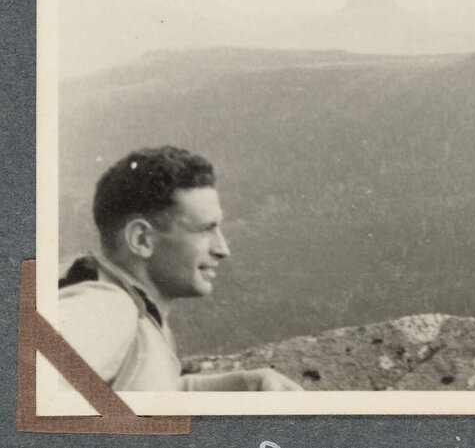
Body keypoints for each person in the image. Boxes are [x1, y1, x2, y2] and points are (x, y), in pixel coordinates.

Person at [59, 146, 302, 391]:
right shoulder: (107, 309)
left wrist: (244, 385)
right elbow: (29, 389)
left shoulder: (133, 312)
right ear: (142, 239)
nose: (222, 248)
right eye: (205, 229)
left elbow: (142, 394)